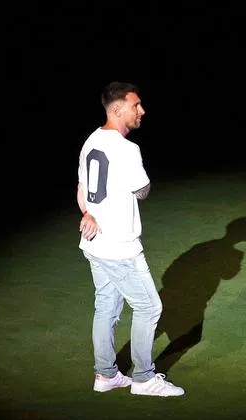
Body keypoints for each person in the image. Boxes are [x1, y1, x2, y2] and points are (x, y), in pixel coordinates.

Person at [77, 81, 184, 397]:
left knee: (106, 306)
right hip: (120, 248)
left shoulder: (90, 141)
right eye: (136, 105)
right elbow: (142, 191)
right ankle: (143, 378)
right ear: (118, 108)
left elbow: (82, 189)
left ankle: (106, 375)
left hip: (94, 244)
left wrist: (87, 213)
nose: (142, 110)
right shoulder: (127, 149)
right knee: (149, 308)